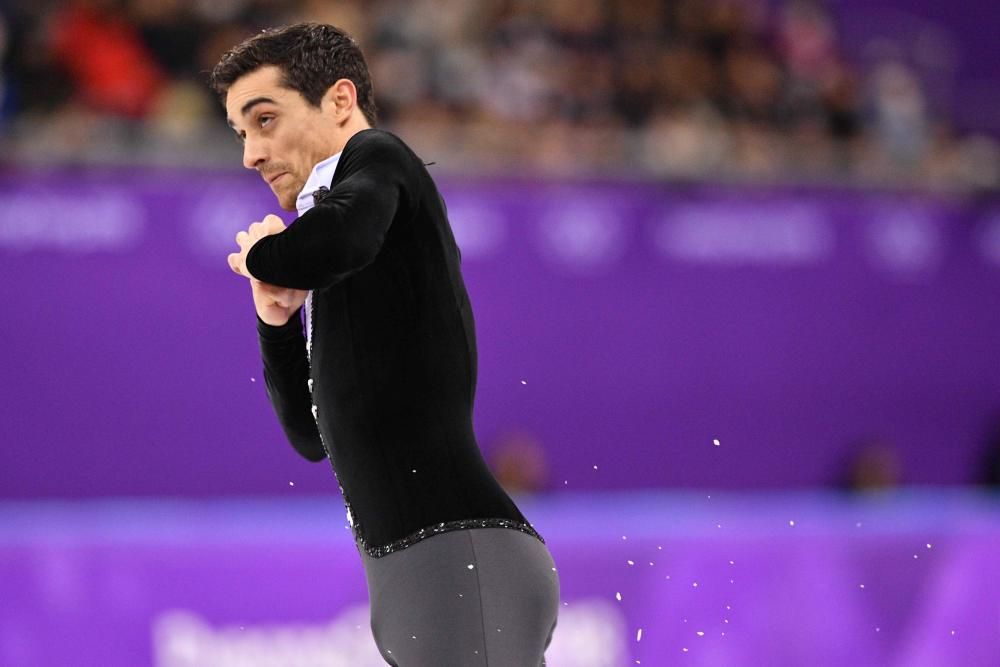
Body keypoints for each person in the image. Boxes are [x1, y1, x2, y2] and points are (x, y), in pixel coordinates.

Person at [210, 23, 559, 666]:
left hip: (461, 562)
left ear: (340, 101)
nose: (251, 154)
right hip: (418, 580)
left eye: (265, 119)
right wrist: (278, 324)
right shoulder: (344, 246)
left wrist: (265, 253)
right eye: (241, 133)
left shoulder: (379, 160)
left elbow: (339, 238)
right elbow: (312, 436)